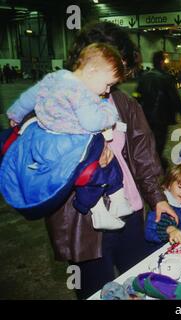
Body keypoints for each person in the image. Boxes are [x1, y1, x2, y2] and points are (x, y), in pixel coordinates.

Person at [6, 21, 179, 300]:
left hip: (130, 213)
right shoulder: (52, 100)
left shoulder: (123, 103)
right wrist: (84, 150)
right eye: (115, 64)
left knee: (139, 288)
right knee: (98, 294)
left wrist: (157, 198)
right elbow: (34, 160)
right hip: (85, 223)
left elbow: (143, 156)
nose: (120, 76)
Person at [6, 43, 134, 231]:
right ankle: (104, 205)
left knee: (90, 170)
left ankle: (110, 203)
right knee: (99, 167)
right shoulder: (79, 92)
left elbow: (29, 97)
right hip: (70, 145)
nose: (107, 91)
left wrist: (15, 113)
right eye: (107, 84)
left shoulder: (55, 78)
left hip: (47, 143)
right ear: (91, 70)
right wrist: (108, 110)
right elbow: (92, 122)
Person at [136, 51, 181, 172]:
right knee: (159, 145)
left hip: (145, 118)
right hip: (161, 118)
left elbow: (136, 96)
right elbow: (175, 99)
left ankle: (150, 164)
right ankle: (156, 167)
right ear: (162, 61)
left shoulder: (144, 77)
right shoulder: (166, 77)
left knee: (148, 143)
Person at [145, 164, 181, 245]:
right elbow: (150, 230)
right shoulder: (162, 205)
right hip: (163, 250)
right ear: (168, 185)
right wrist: (170, 230)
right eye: (180, 187)